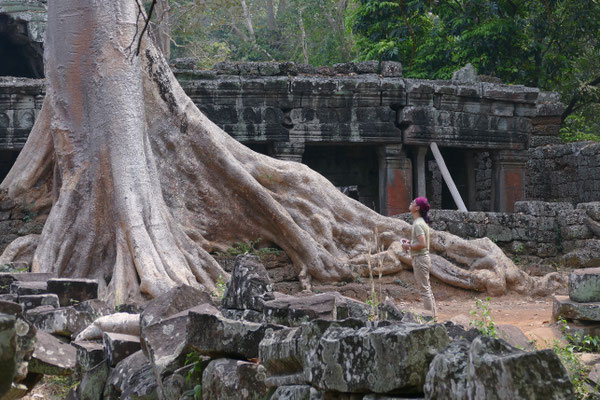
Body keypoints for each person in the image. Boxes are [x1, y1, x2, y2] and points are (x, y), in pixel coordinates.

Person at [401, 196, 436, 320]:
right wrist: (410, 242)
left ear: (417, 208)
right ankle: (433, 317)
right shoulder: (421, 222)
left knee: (424, 290)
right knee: (427, 289)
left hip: (420, 259)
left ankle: (429, 319)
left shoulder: (417, 224)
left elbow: (422, 243)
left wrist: (408, 246)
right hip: (423, 258)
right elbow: (421, 242)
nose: (411, 203)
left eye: (413, 202)